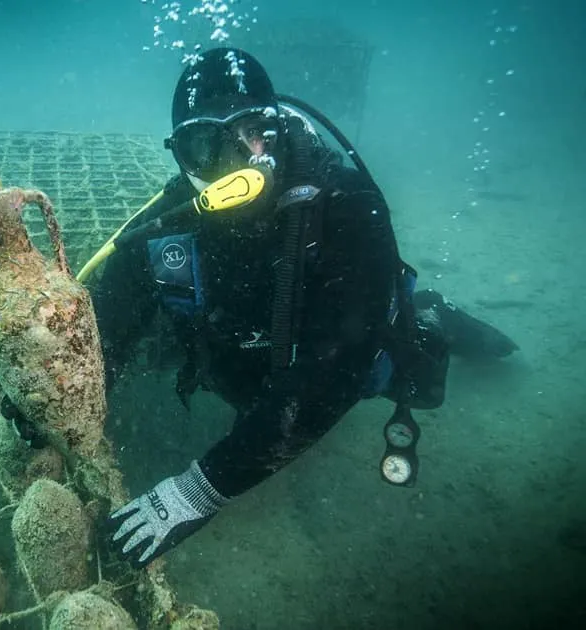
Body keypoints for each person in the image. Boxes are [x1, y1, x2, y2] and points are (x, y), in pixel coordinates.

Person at [83, 47, 518, 569]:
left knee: (414, 377)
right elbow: (109, 325)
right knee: (216, 359)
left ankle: (433, 314)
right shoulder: (170, 222)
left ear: (279, 130)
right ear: (180, 154)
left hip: (330, 351)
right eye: (204, 144)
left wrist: (202, 487)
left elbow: (332, 375)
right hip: (243, 358)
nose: (234, 163)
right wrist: (60, 393)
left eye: (253, 133)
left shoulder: (347, 206)